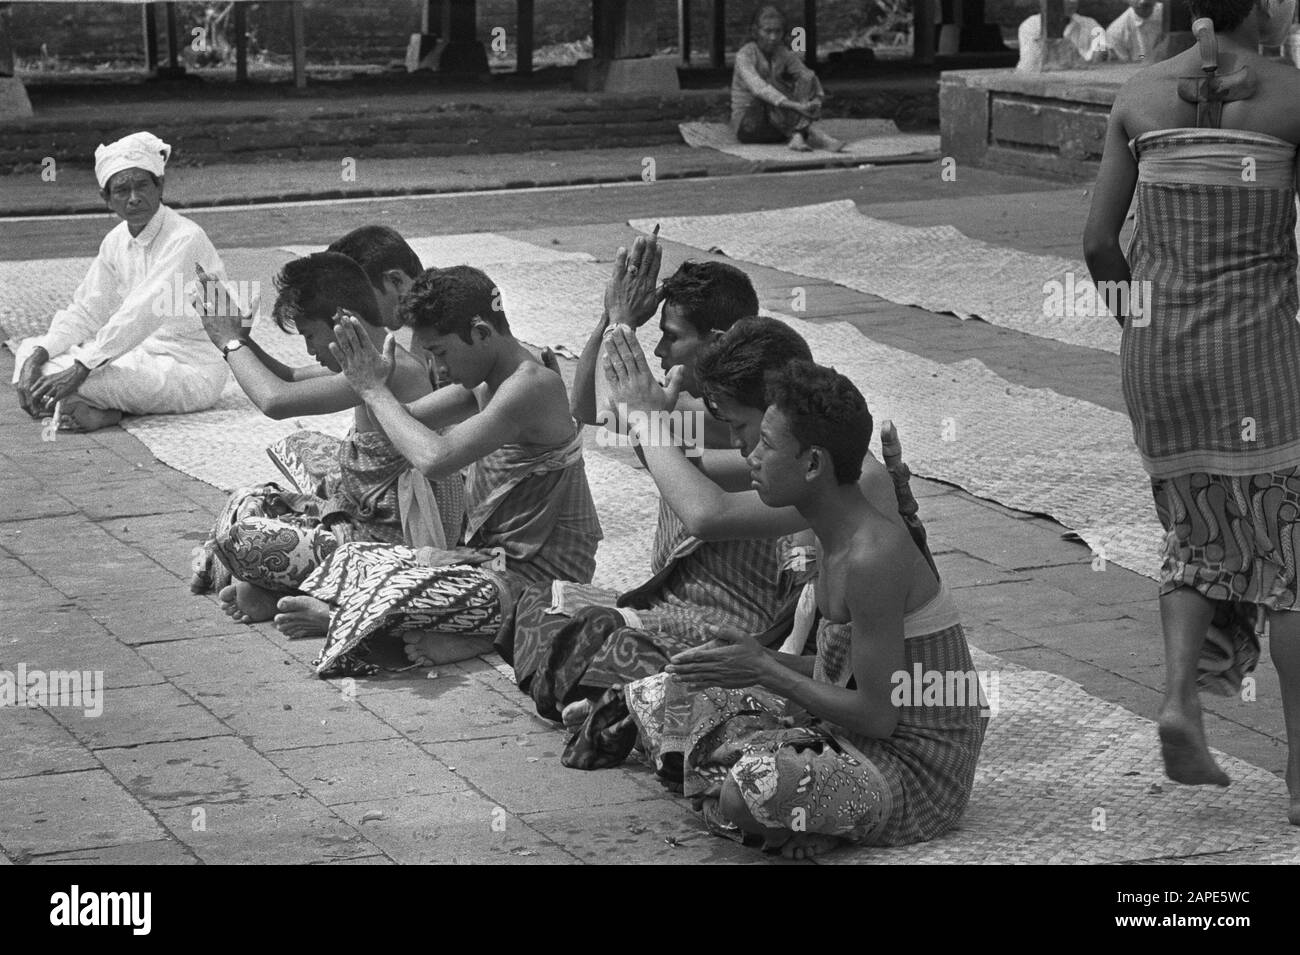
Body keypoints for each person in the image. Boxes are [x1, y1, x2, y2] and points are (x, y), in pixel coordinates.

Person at [577, 354, 986, 859]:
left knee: (753, 784)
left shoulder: (872, 555)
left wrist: (766, 671)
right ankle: (764, 798)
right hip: (845, 730)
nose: (750, 458)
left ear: (813, 464)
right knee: (669, 690)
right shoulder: (824, 511)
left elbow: (879, 716)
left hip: (909, 767)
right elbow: (845, 672)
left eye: (766, 445)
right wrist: (755, 660)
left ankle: (751, 800)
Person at [1083, 0, 1300, 824]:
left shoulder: (1137, 96)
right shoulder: (1292, 95)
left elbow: (1100, 243)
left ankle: (1180, 698)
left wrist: (1139, 323)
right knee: (1290, 560)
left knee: (1195, 537)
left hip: (1161, 359)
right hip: (1263, 358)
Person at [275, 265, 602, 677]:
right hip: (486, 562)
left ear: (481, 332)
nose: (438, 371)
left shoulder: (530, 385)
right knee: (357, 556)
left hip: (541, 584)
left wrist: (373, 389)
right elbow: (399, 428)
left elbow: (435, 458)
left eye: (440, 354)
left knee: (404, 588)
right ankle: (430, 628)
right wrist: (372, 380)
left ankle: (371, 623)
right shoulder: (485, 382)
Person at [505, 316, 824, 724]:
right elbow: (605, 418)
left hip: (739, 635)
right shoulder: (738, 434)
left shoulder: (816, 476)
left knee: (609, 639)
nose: (659, 351)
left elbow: (706, 514)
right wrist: (615, 319)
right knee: (539, 604)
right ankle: (620, 701)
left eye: (672, 335)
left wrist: (646, 419)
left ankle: (625, 702)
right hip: (688, 621)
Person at [192, 250, 463, 622]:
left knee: (245, 539)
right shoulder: (364, 363)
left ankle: (274, 588)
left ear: (342, 322)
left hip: (387, 547)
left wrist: (230, 344)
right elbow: (287, 377)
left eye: (310, 335)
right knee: (249, 500)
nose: (308, 350)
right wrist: (241, 339)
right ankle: (252, 579)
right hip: (354, 524)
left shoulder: (388, 368)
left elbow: (275, 401)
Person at [11, 131, 232, 432]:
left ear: (160, 186)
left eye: (142, 185)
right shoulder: (115, 241)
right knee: (31, 354)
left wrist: (82, 367)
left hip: (190, 369)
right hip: (137, 355)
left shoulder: (185, 237)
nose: (134, 198)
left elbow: (142, 312)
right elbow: (87, 311)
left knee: (70, 377)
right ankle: (98, 408)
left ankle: (97, 407)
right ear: (107, 199)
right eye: (121, 190)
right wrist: (38, 356)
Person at [731, 4, 844, 152]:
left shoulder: (782, 52)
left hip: (775, 127)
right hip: (749, 125)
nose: (773, 37)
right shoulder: (744, 55)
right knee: (769, 89)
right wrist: (796, 106)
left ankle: (798, 135)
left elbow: (807, 75)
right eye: (768, 31)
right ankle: (812, 133)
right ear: (755, 31)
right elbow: (759, 88)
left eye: (777, 31)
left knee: (806, 78)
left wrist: (815, 101)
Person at [1017, 0, 1110, 71]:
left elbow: (1101, 52)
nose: (1073, 1)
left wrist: (1100, 53)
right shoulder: (1030, 25)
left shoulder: (1091, 24)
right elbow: (1032, 65)